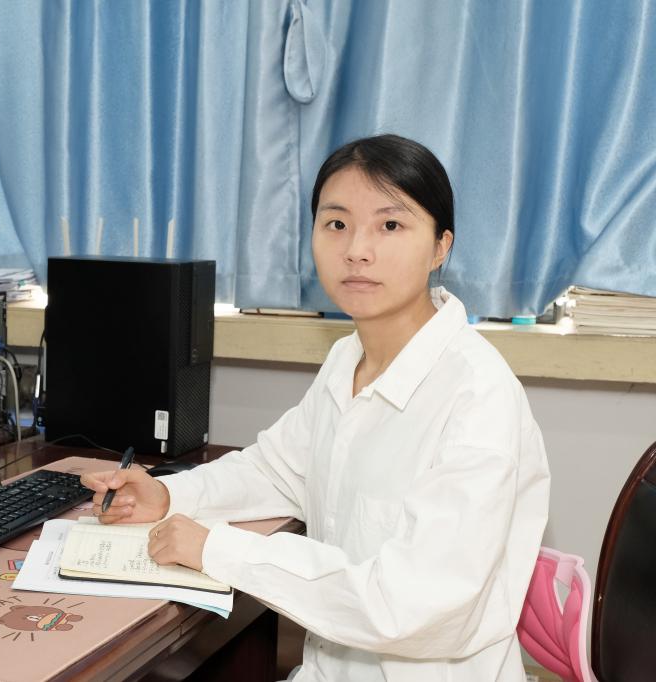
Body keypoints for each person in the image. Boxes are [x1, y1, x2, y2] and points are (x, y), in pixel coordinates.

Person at [81, 134, 550, 681]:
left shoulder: (478, 397)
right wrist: (169, 495)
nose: (357, 249)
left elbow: (409, 605)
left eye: (390, 225)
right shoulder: (348, 358)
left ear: (440, 246)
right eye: (336, 223)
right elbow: (277, 470)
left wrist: (220, 550)